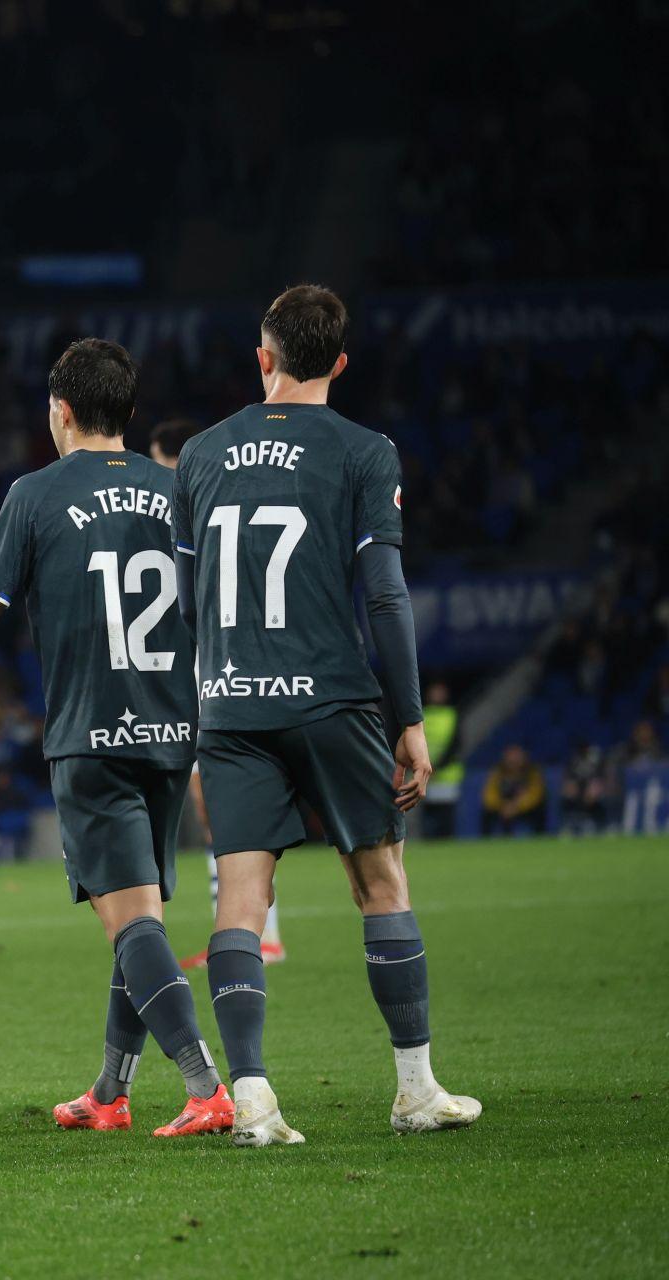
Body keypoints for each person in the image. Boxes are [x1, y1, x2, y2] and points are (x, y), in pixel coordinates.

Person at [172, 285, 479, 1144]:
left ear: (262, 359)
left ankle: (256, 1098)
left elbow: (190, 601)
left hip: (230, 704)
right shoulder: (364, 451)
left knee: (240, 898)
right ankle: (415, 1090)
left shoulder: (200, 453)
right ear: (340, 363)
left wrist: (220, 679)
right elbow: (384, 592)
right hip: (332, 697)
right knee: (380, 882)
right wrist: (409, 718)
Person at [0, 340, 231, 1139]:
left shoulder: (35, 495)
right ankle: (109, 1091)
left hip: (92, 734)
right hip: (173, 732)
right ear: (128, 414)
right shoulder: (177, 491)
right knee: (136, 912)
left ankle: (206, 1087)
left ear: (61, 412)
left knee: (130, 922)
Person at [150, 419, 287, 969]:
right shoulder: (220, 502)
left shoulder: (192, 511)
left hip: (217, 672)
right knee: (222, 807)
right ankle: (248, 931)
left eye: (159, 464)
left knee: (222, 806)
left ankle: (254, 933)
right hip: (220, 666)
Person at [419, 681, 463, 840]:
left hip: (446, 775)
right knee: (427, 817)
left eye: (440, 691)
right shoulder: (421, 713)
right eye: (434, 691)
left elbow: (455, 745)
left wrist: (438, 766)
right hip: (426, 774)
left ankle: (447, 843)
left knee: (445, 817)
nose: (437, 695)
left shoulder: (452, 714)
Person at [481, 745, 547, 835]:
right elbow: (489, 794)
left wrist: (516, 806)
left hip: (523, 807)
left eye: (517, 757)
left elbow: (535, 795)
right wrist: (501, 806)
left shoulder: (532, 772)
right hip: (503, 806)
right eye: (511, 757)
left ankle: (540, 838)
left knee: (539, 811)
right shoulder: (498, 772)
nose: (514, 761)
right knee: (487, 813)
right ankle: (487, 842)